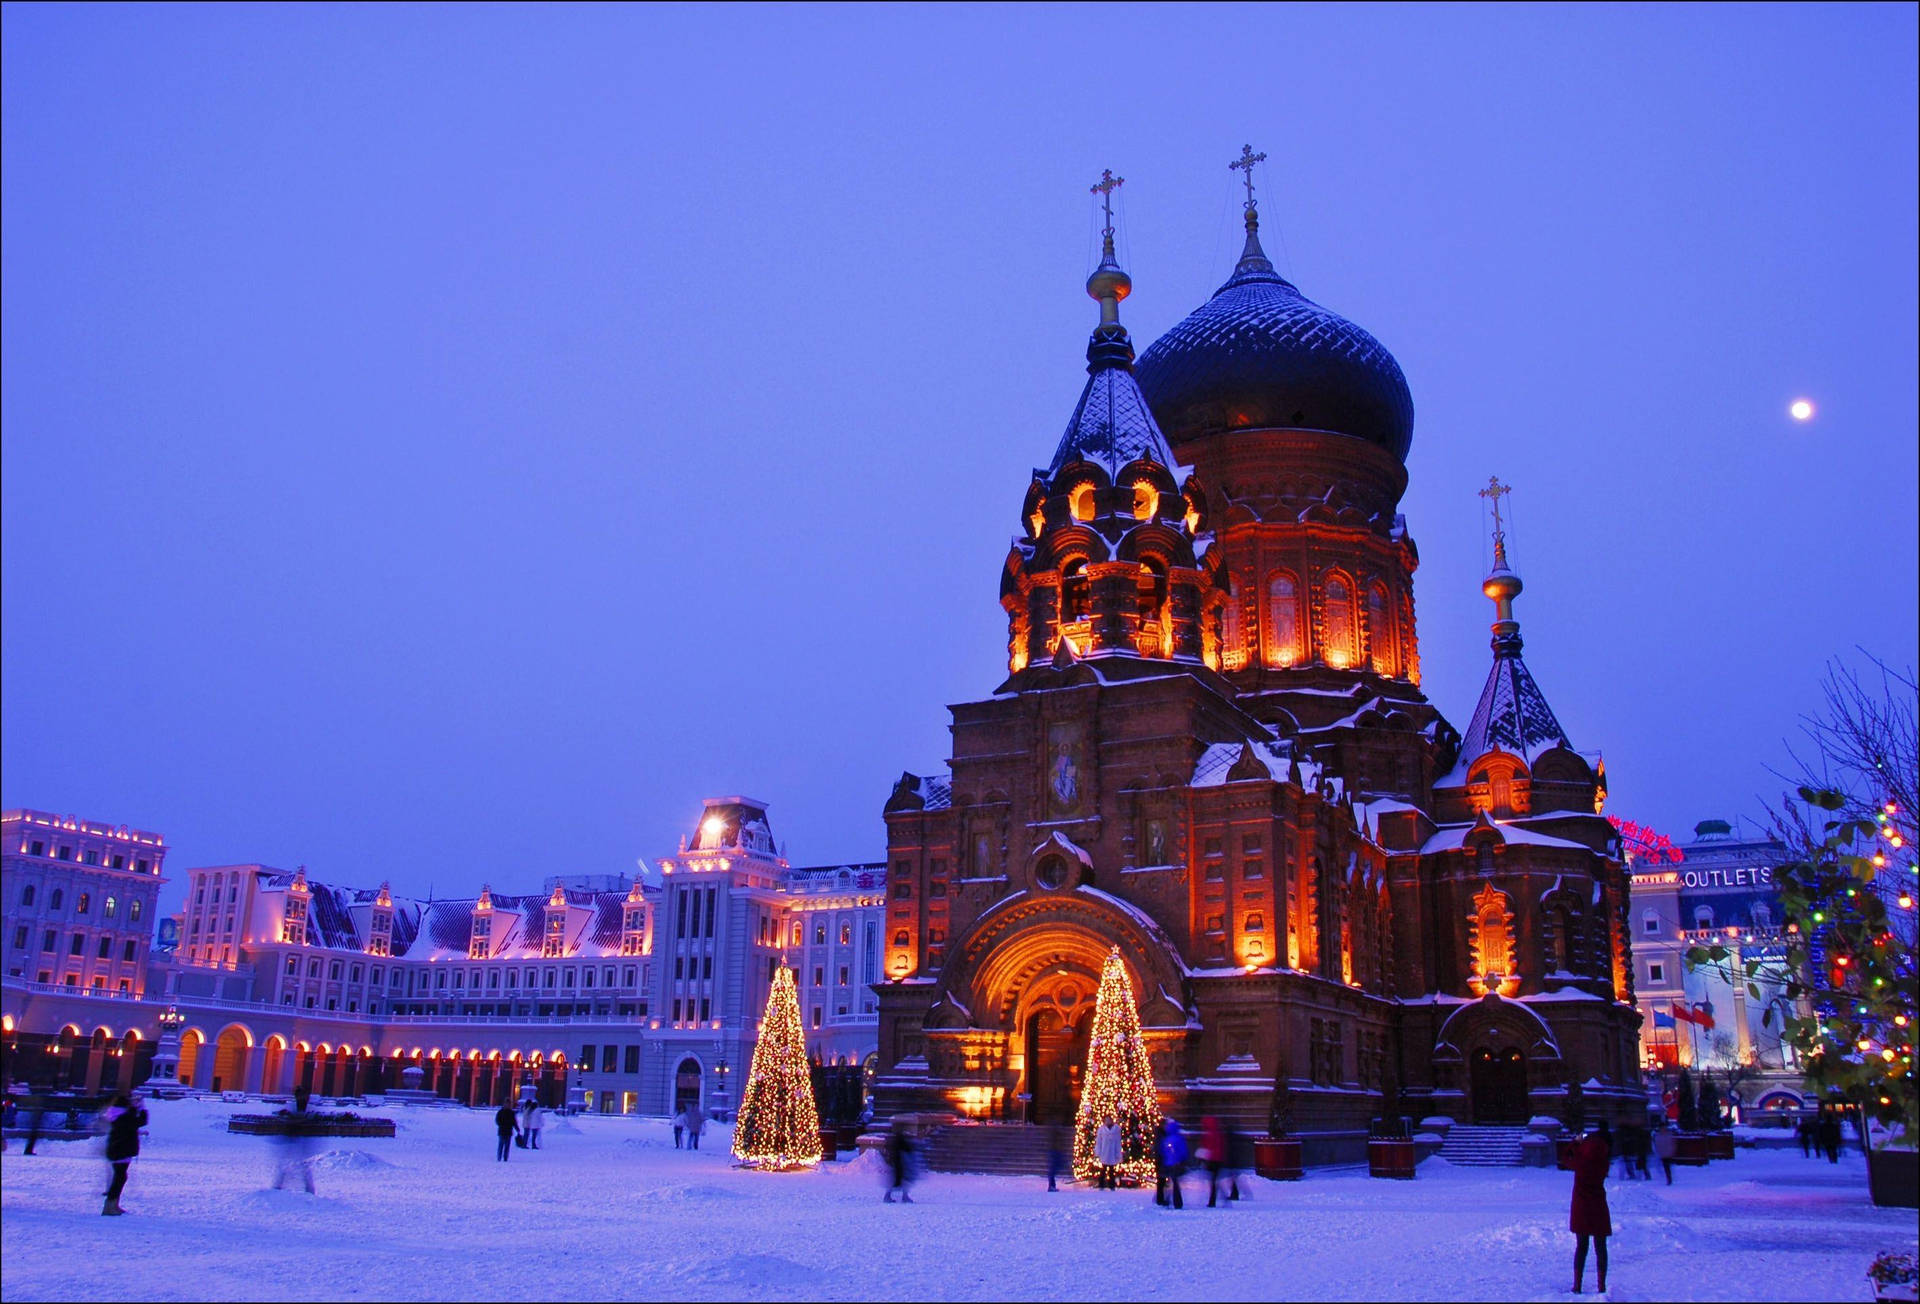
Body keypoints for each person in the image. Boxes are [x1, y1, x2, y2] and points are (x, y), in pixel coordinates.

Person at [1568, 1122, 1612, 1294]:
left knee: (1581, 1247)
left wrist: (1576, 1143)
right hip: (1599, 1206)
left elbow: (1567, 1157)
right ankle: (1601, 1285)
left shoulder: (1580, 1163)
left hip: (1581, 1208)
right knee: (1601, 1247)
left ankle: (1577, 1285)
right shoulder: (1603, 1163)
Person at [102, 1093, 147, 1216]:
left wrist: (135, 1108)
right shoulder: (123, 1118)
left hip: (119, 1150)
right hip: (121, 1151)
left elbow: (132, 1120)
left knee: (120, 1177)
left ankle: (113, 1205)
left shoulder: (118, 1116)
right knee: (120, 1178)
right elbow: (140, 1121)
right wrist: (141, 1108)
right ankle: (109, 1206)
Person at [1156, 1118, 1187, 1210]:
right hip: (1177, 1163)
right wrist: (1183, 1160)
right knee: (1175, 1183)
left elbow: (1162, 1150)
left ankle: (1167, 1199)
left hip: (1168, 1163)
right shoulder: (1179, 1138)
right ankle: (1177, 1202)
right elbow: (1183, 1151)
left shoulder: (1167, 1139)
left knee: (1168, 1182)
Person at [883, 1119, 914, 1203]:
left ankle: (902, 1196)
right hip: (899, 1162)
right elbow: (905, 1148)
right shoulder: (899, 1138)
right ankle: (894, 1196)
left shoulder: (896, 1137)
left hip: (898, 1162)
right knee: (900, 1180)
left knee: (899, 1180)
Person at [1094, 1119, 1122, 1190]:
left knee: (1111, 1170)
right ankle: (1101, 1185)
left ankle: (1112, 1185)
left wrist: (1118, 1154)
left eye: (1109, 1120)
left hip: (1112, 1152)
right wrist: (1098, 1152)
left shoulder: (1116, 1130)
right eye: (1106, 1120)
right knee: (1103, 1169)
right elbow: (1099, 1141)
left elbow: (1118, 1142)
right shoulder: (1101, 1130)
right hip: (1104, 1152)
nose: (1108, 1122)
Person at [1045, 1122, 1066, 1193]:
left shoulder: (1055, 1135)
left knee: (1054, 1168)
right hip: (1055, 1151)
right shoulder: (1055, 1135)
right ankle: (1051, 1186)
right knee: (1053, 1168)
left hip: (1055, 1150)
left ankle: (1052, 1185)